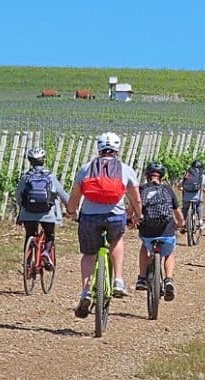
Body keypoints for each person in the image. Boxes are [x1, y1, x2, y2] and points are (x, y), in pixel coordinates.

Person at [66, 131, 143, 318]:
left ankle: (85, 291)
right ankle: (118, 280)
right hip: (115, 216)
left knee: (88, 254)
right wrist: (138, 215)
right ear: (117, 149)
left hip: (89, 217)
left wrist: (71, 212)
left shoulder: (86, 168)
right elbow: (136, 198)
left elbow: (75, 196)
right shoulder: (125, 169)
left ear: (98, 148)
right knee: (116, 240)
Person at [134, 161, 184, 300]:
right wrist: (181, 224)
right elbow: (178, 213)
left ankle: (142, 278)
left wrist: (132, 221)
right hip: (166, 230)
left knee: (145, 246)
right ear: (162, 176)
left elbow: (133, 209)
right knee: (169, 252)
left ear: (147, 175)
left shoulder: (141, 190)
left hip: (147, 231)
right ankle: (168, 279)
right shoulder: (167, 190)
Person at [15, 147, 70, 271]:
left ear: (30, 161)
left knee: (29, 234)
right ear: (44, 160)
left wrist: (21, 207)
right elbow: (62, 194)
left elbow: (18, 194)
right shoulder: (50, 176)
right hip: (47, 213)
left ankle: (27, 263)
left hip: (28, 212)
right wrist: (71, 208)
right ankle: (46, 252)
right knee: (50, 234)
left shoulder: (26, 177)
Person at [178, 158, 205, 231]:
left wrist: (181, 188)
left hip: (186, 198)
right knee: (199, 205)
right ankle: (200, 222)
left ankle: (183, 224)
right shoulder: (202, 176)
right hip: (197, 199)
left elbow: (179, 185)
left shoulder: (187, 175)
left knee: (185, 209)